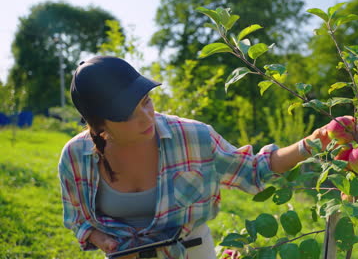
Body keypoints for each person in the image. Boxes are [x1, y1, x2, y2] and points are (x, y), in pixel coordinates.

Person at [58, 56, 330, 259]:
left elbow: (255, 170)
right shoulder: (75, 157)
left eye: (145, 101)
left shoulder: (194, 137)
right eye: (128, 114)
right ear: (99, 125)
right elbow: (76, 218)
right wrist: (101, 238)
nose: (146, 116)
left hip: (192, 251)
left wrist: (312, 142)